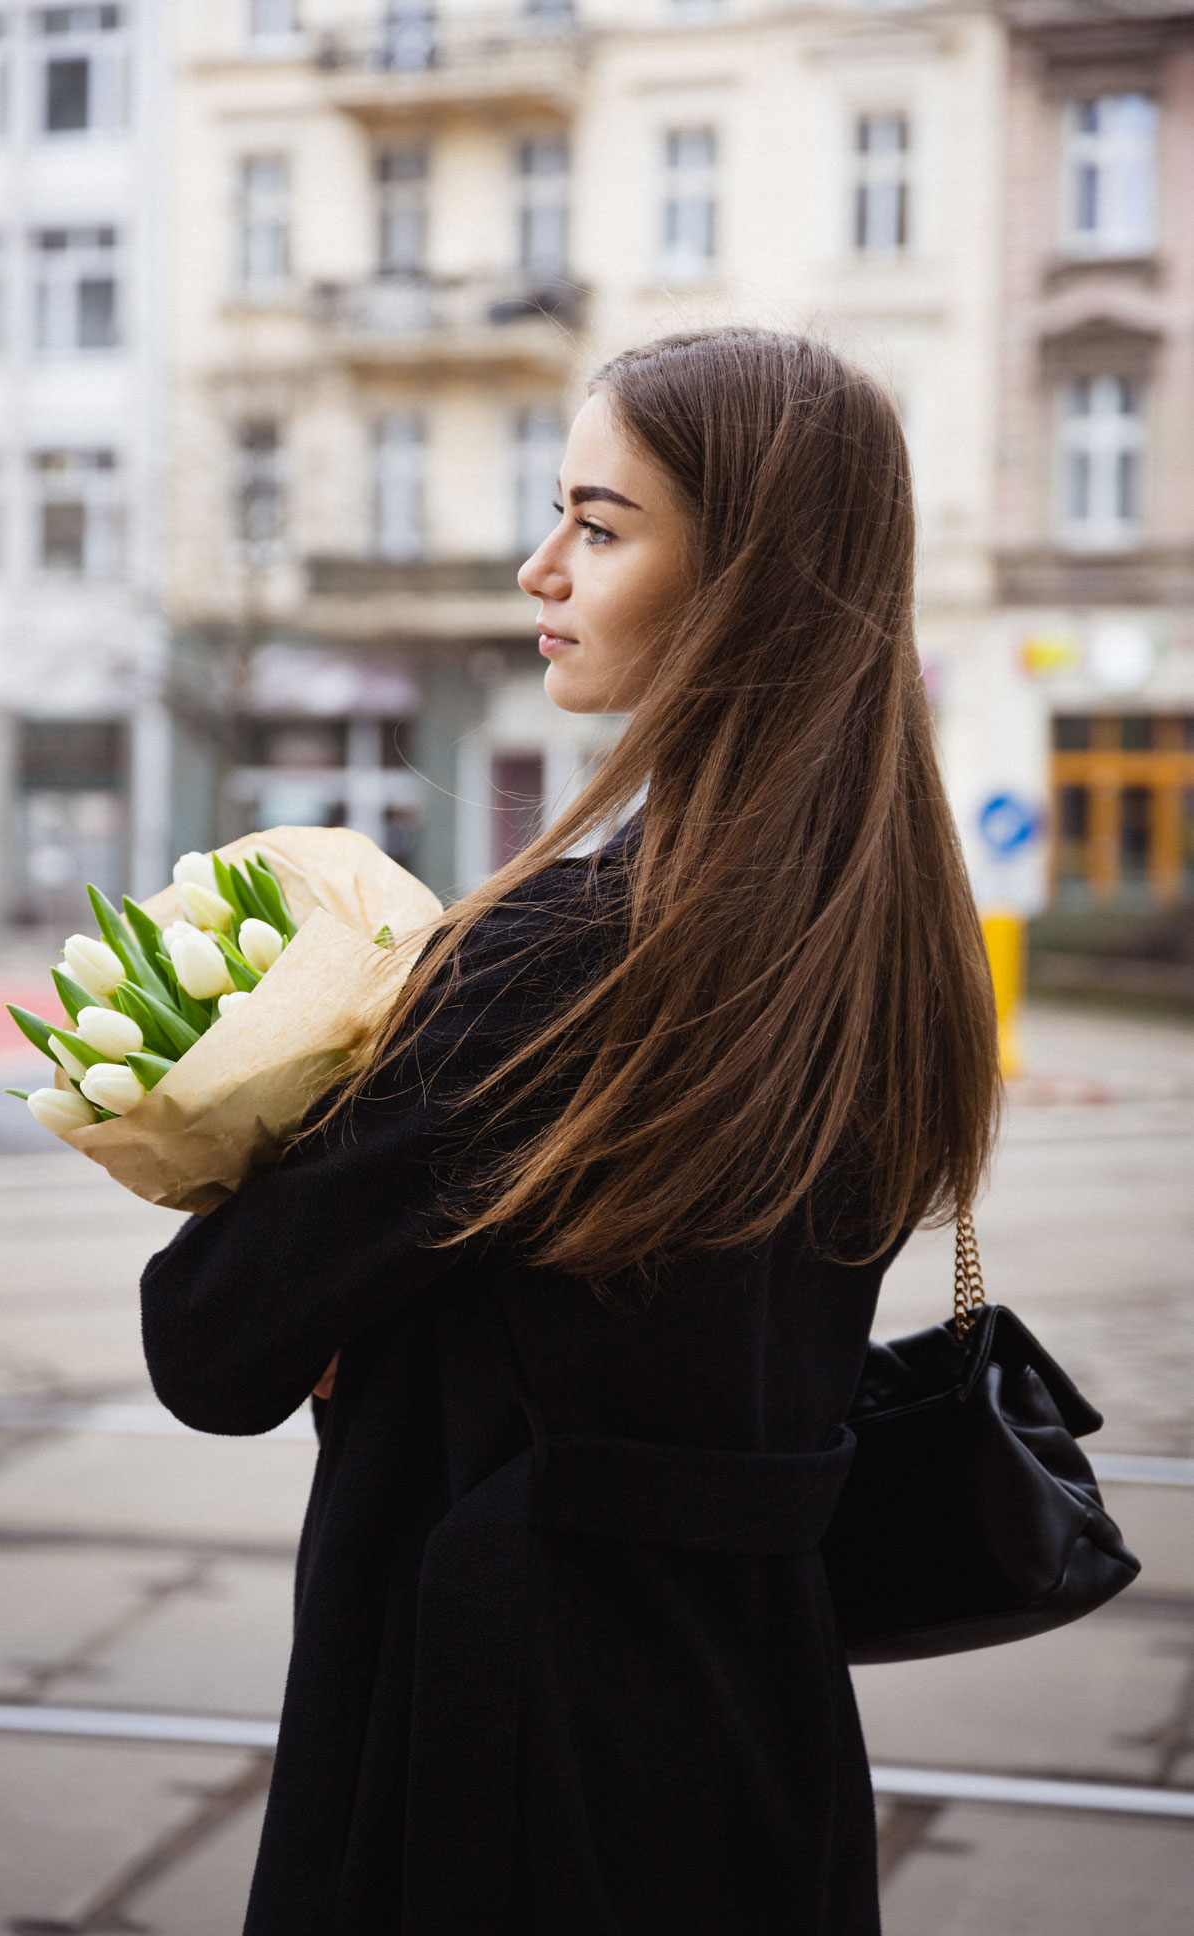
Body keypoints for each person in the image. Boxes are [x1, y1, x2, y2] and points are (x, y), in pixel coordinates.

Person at [140, 328, 1000, 1936]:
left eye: (600, 529)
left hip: (493, 1755)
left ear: (744, 578)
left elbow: (209, 1343)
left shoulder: (554, 964)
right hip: (763, 1735)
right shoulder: (896, 958)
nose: (541, 569)